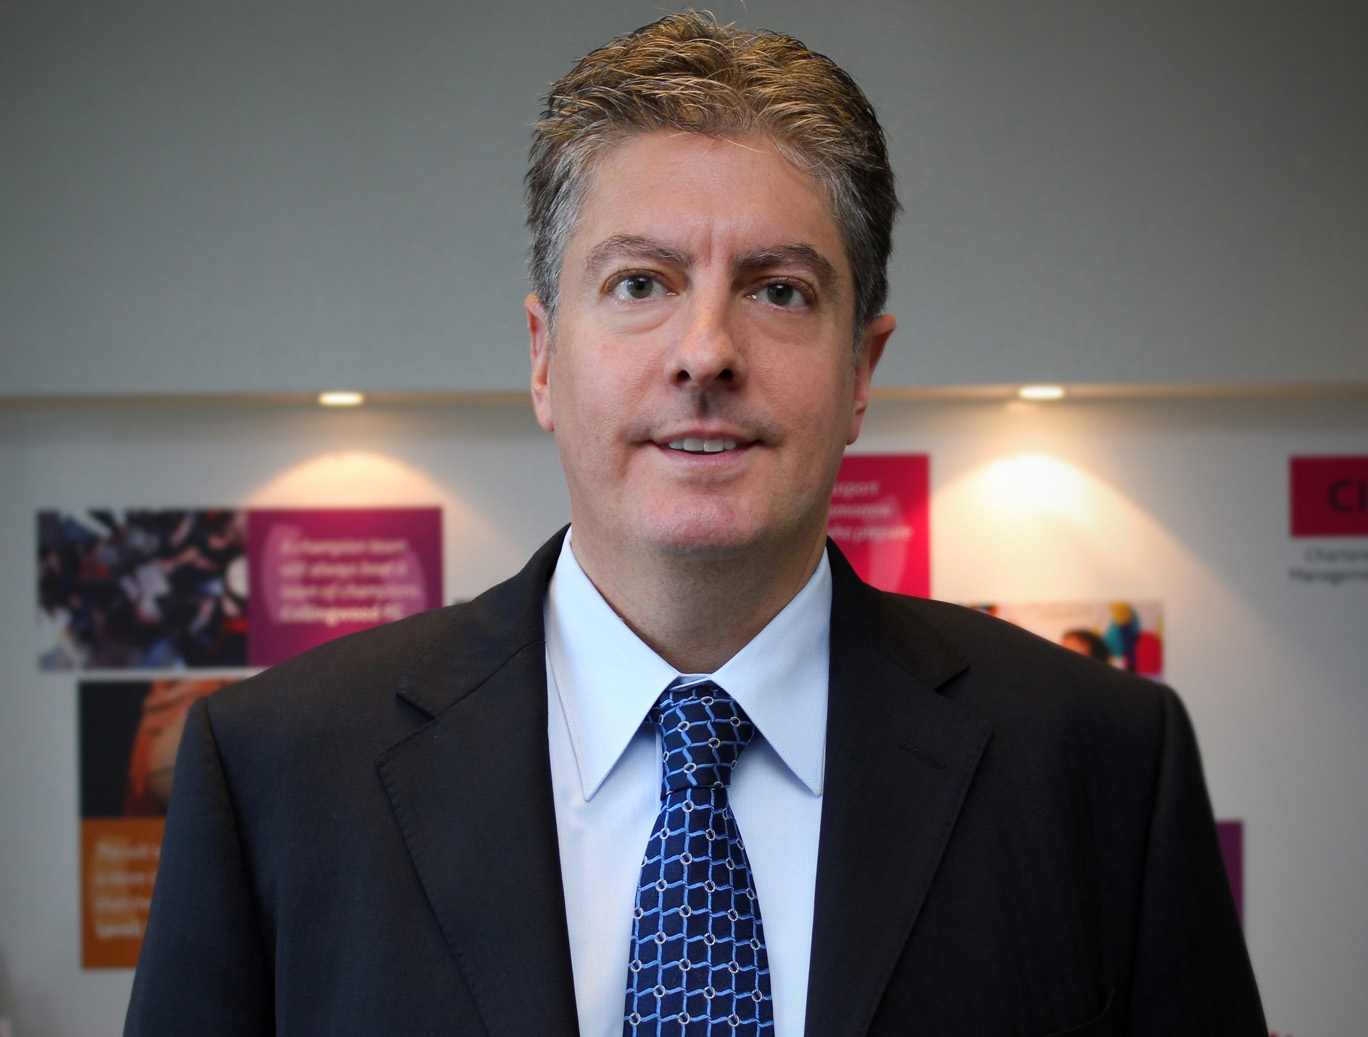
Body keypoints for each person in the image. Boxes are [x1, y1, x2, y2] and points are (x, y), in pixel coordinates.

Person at [125, 12, 1265, 1036]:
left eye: (778, 290)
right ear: (543, 356)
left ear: (861, 371)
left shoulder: (1103, 764)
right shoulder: (276, 770)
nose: (706, 350)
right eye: (640, 282)